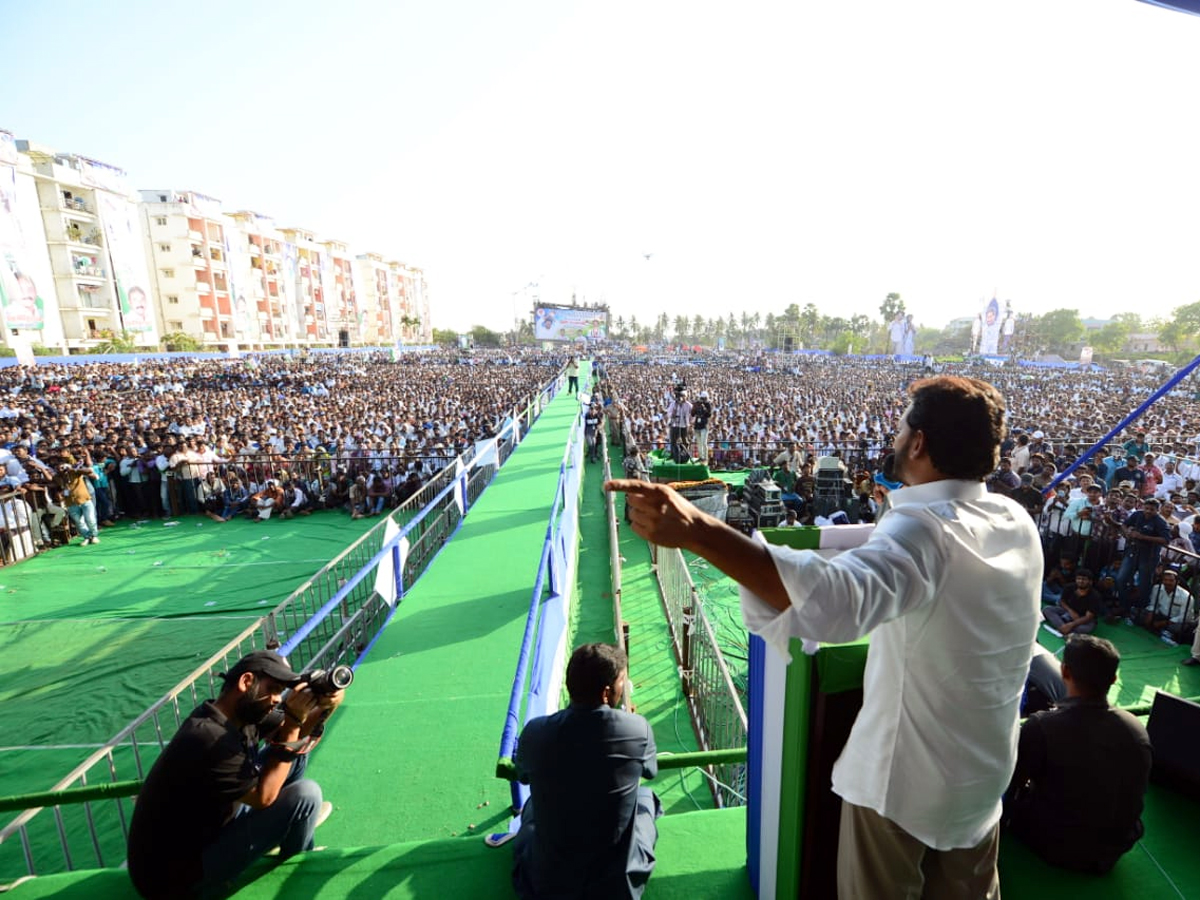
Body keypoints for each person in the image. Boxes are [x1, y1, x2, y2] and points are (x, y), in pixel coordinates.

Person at [607, 375, 1042, 898]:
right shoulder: (1016, 520)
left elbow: (834, 602)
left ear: (920, 442)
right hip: (983, 780)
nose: (895, 436)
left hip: (902, 789)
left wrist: (699, 530)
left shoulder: (924, 530)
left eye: (902, 427)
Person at [127, 651, 342, 899]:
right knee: (306, 795)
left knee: (295, 755)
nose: (276, 699)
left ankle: (285, 829)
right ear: (246, 682)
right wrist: (293, 721)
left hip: (205, 829)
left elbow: (294, 736)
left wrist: (326, 706)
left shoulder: (234, 713)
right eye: (273, 689)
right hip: (175, 877)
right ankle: (297, 859)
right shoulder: (209, 738)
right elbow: (265, 798)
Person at [508, 643, 660, 900]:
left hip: (545, 884)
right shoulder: (637, 729)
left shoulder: (535, 732)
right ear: (606, 692)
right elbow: (650, 772)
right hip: (617, 888)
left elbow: (522, 774)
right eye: (623, 681)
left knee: (533, 805)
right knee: (646, 798)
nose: (625, 687)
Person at [1004, 635, 1152, 874]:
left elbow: (1012, 783)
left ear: (1064, 671)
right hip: (1114, 849)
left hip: (1055, 845)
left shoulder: (1042, 726)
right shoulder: (1136, 730)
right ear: (1114, 678)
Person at [53, 452, 100, 545]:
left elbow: (89, 471)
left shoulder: (74, 472)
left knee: (90, 519)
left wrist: (73, 469)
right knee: (79, 522)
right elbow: (58, 486)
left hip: (84, 499)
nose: (61, 469)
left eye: (62, 467)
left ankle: (94, 536)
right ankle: (87, 537)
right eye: (58, 468)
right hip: (70, 502)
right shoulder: (57, 477)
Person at [1042, 568, 1103, 636]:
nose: (1081, 581)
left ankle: (1064, 627)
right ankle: (1065, 629)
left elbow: (1088, 617)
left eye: (1084, 579)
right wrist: (1071, 611)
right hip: (1069, 612)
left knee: (1083, 629)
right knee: (1047, 609)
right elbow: (1062, 601)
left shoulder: (1095, 596)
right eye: (1079, 579)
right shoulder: (1069, 587)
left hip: (1083, 618)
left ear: (1090, 582)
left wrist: (1071, 624)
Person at [665, 387, 692, 464]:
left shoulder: (688, 405)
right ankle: (673, 454)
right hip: (675, 424)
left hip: (684, 425)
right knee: (673, 440)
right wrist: (672, 414)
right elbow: (668, 413)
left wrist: (690, 422)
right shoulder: (673, 404)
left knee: (685, 440)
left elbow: (692, 413)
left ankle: (686, 454)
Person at [691, 390, 713, 465]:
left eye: (704, 398)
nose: (703, 400)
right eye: (702, 398)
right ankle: (701, 457)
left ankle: (705, 458)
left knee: (704, 442)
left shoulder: (708, 404)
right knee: (699, 442)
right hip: (697, 425)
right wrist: (694, 407)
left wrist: (704, 408)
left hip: (704, 424)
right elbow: (692, 414)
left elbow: (709, 414)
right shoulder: (697, 404)